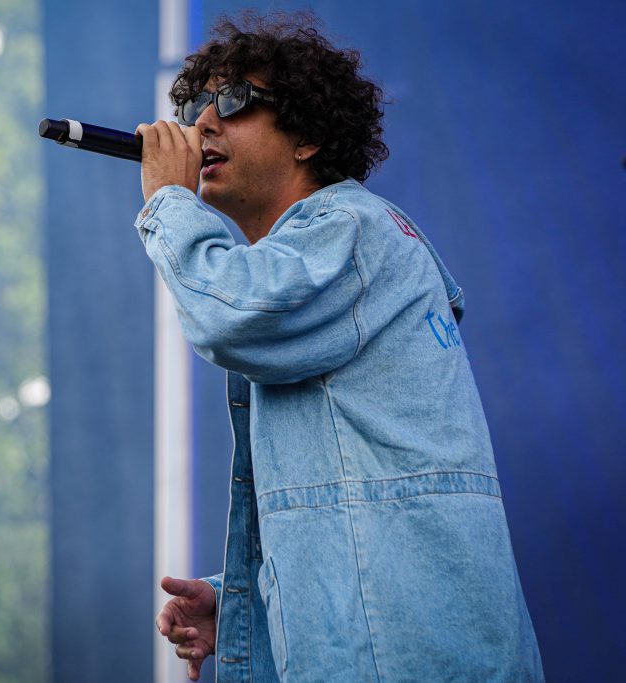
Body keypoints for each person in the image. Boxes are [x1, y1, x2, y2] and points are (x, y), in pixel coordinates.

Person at [134, 11, 544, 683]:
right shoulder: (315, 268)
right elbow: (350, 513)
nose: (201, 123)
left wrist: (168, 206)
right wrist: (241, 604)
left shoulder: (351, 232)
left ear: (309, 137)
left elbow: (229, 315)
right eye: (192, 106)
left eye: (232, 100)